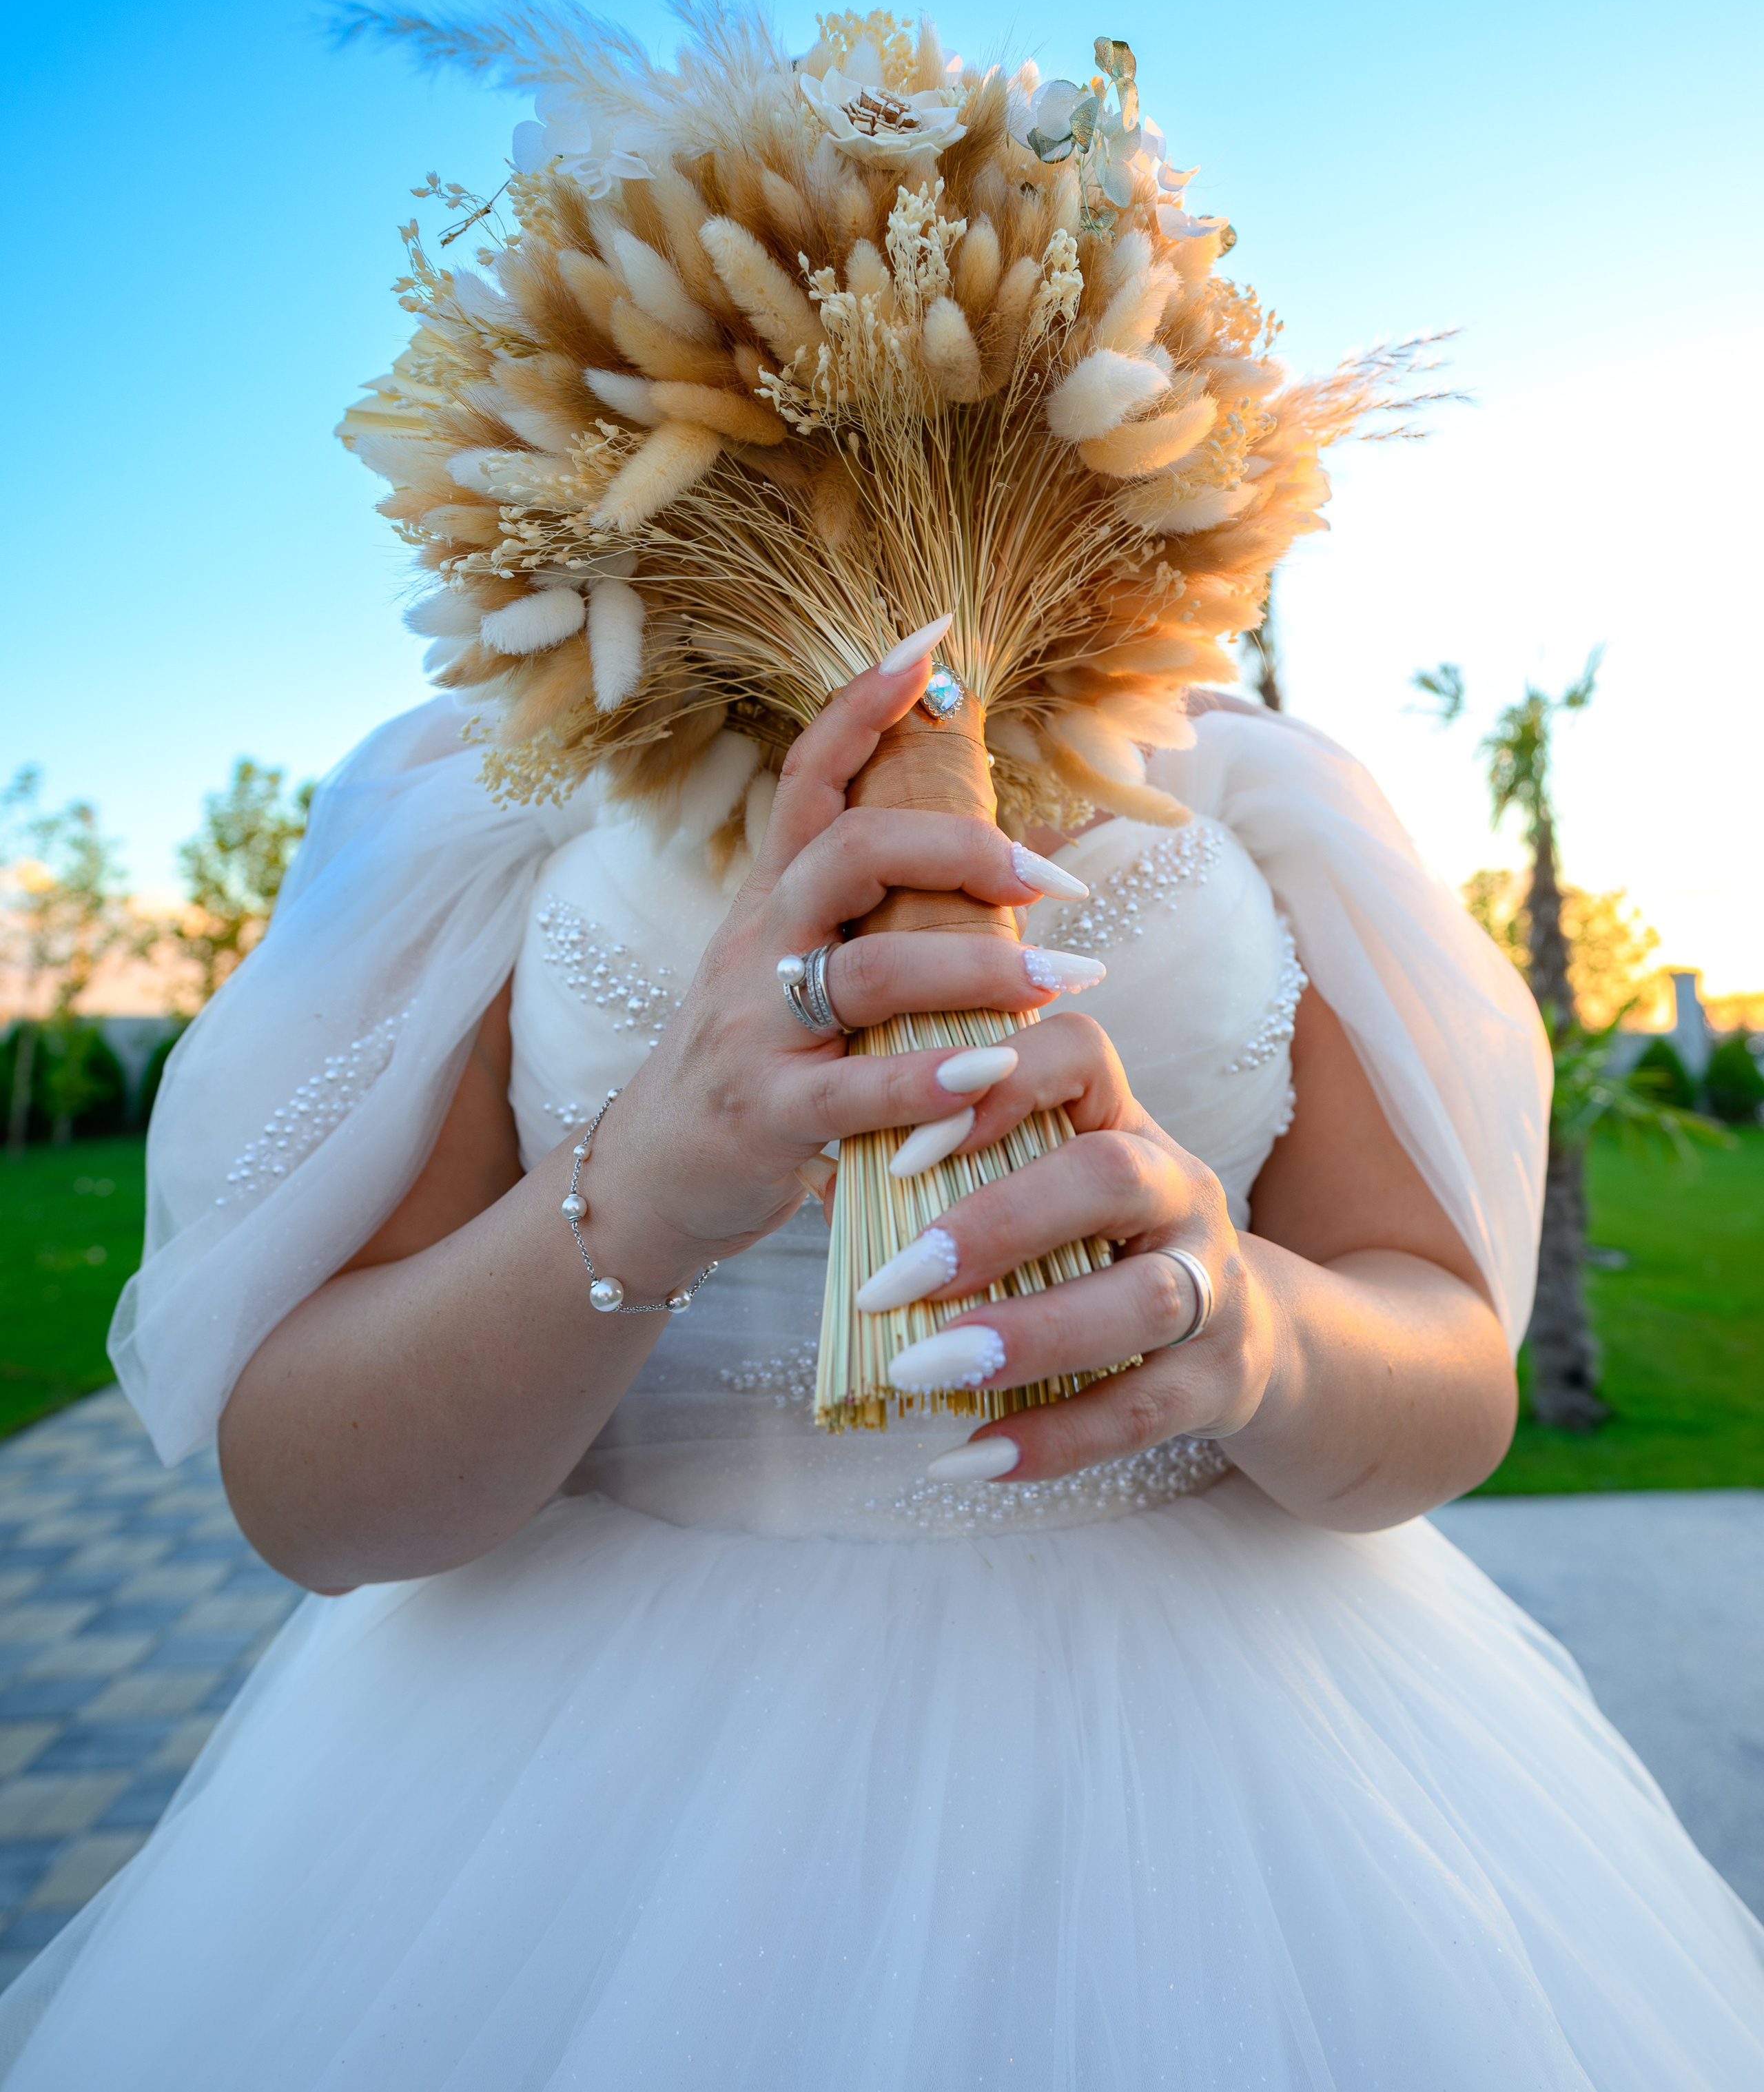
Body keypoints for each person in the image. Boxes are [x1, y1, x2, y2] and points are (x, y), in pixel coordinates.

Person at [1, 635, 1761, 2088]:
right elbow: (309, 1498)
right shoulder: (494, 784)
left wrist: (1248, 1320)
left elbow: (1447, 1372)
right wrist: (644, 1182)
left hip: (1254, 1770)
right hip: (572, 1804)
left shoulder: (1245, 774)